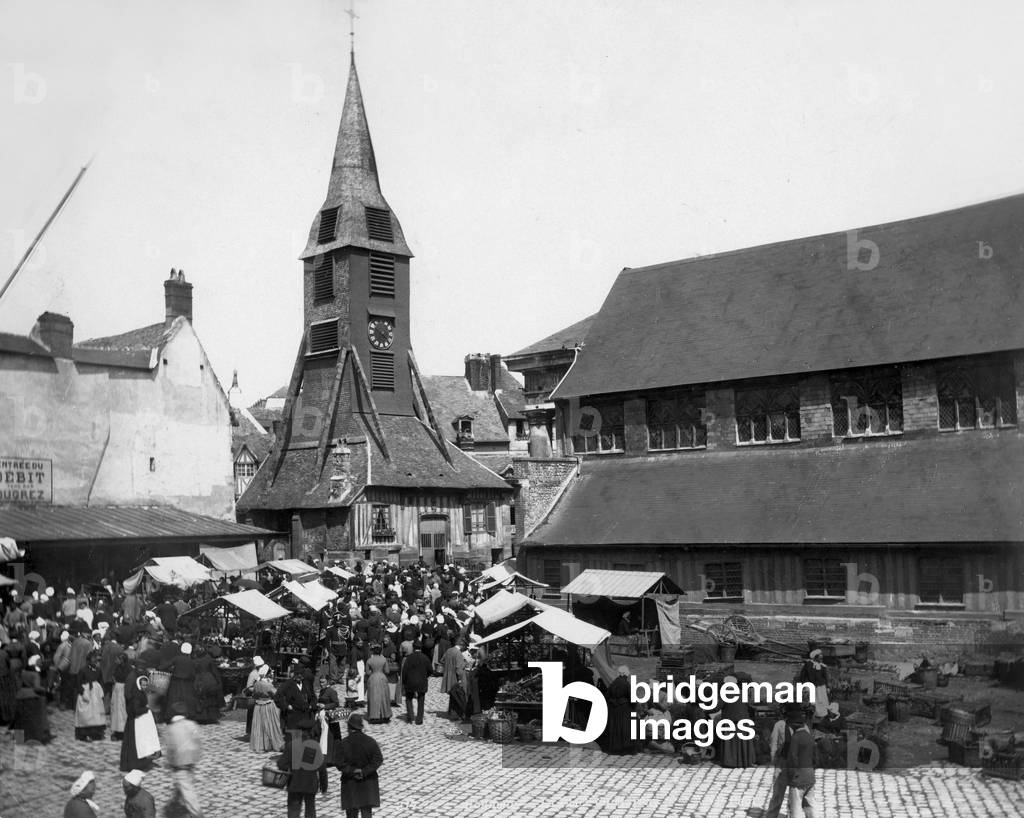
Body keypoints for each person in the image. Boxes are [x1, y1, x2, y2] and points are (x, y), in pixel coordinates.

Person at [765, 705, 817, 818]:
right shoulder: (780, 725)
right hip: (784, 764)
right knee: (778, 795)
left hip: (793, 766)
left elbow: (808, 746)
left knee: (791, 796)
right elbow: (773, 744)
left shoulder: (801, 727)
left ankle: (789, 814)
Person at [333, 713, 383, 818]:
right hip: (368, 782)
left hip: (350, 782)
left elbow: (339, 762)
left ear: (349, 727)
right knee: (366, 812)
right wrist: (364, 772)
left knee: (351, 814)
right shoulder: (370, 742)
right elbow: (378, 759)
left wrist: (352, 771)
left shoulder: (343, 743)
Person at [164, 701, 205, 818]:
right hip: (191, 760)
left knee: (186, 788)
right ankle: (177, 803)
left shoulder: (171, 728)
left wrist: (170, 761)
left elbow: (170, 747)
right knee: (184, 783)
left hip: (179, 762)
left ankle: (196, 813)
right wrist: (196, 756)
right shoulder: (192, 724)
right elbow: (198, 741)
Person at [277, 729, 328, 818]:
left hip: (294, 783)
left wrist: (289, 768)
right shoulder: (315, 746)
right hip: (310, 784)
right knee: (310, 810)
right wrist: (324, 786)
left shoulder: (291, 745)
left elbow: (281, 764)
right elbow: (322, 769)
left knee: (293, 811)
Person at [717, 675, 756, 767]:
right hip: (743, 721)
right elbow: (750, 704)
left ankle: (730, 762)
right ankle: (745, 761)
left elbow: (717, 707)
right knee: (743, 742)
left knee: (731, 743)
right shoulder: (743, 693)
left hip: (730, 722)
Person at [251, 663, 285, 753]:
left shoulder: (257, 684)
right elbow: (276, 694)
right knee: (271, 725)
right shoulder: (268, 685)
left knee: (260, 726)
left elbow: (254, 695)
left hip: (258, 706)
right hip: (268, 705)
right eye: (270, 672)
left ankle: (261, 745)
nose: (272, 674)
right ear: (267, 673)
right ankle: (276, 744)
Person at [603, 665, 637, 754]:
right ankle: (625, 748)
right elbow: (632, 698)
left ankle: (616, 748)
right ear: (625, 674)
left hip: (614, 710)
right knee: (625, 729)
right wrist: (634, 706)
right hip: (625, 709)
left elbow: (607, 696)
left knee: (616, 729)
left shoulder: (613, 683)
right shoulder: (626, 684)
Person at [275, 665, 317, 733]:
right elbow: (277, 697)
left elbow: (313, 697)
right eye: (298, 674)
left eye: (301, 674)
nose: (299, 676)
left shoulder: (306, 684)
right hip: (293, 716)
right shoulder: (288, 684)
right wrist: (287, 706)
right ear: (295, 674)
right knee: (295, 739)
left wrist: (311, 705)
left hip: (306, 716)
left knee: (305, 738)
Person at [75, 653, 106, 741]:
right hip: (86, 692)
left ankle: (96, 733)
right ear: (88, 660)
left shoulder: (98, 670)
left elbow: (101, 681)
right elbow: (78, 683)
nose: (95, 661)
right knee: (86, 714)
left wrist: (101, 692)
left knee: (96, 713)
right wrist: (82, 693)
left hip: (95, 693)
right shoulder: (82, 670)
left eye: (96, 659)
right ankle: (85, 734)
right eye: (93, 659)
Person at [400, 640, 430, 725]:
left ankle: (411, 717)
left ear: (413, 648)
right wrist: (425, 676)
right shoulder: (425, 657)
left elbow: (404, 671)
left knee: (409, 699)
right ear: (421, 648)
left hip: (410, 681)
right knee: (421, 700)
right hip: (421, 682)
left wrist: (404, 681)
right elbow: (430, 670)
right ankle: (419, 719)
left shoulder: (409, 658)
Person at [364, 643, 391, 724]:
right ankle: (385, 715)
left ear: (373, 652)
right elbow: (387, 671)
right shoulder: (384, 660)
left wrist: (373, 671)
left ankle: (374, 716)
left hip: (373, 678)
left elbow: (367, 672)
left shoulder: (369, 660)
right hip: (382, 678)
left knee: (373, 697)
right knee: (384, 697)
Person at [799, 649, 830, 719]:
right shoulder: (808, 664)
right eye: (819, 657)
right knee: (812, 700)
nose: (821, 659)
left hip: (821, 687)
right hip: (811, 686)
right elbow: (803, 675)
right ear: (815, 657)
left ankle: (822, 715)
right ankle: (812, 714)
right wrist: (804, 684)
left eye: (821, 658)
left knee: (821, 700)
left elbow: (826, 678)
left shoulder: (823, 667)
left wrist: (828, 687)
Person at [441, 638, 467, 720]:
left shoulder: (449, 650)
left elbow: (442, 660)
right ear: (461, 645)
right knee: (458, 695)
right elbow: (459, 669)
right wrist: (460, 679)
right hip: (455, 678)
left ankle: (452, 712)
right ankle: (458, 713)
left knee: (453, 695)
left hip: (448, 676)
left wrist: (449, 666)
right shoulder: (458, 653)